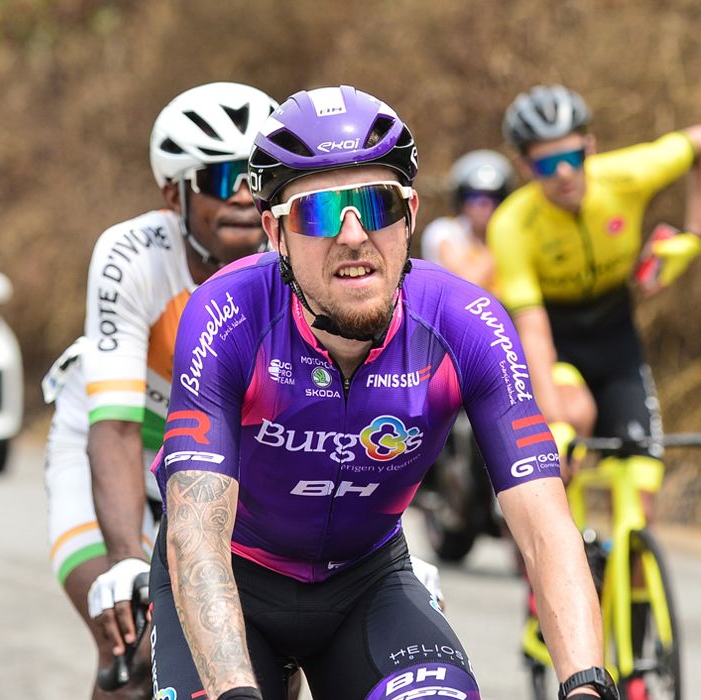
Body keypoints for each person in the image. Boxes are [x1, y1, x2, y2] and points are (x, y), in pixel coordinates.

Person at [149, 85, 616, 700]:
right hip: (233, 573)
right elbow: (196, 535)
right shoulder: (226, 313)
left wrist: (585, 683)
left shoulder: (466, 322)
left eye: (375, 204)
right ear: (275, 233)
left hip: (366, 583)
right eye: (316, 212)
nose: (352, 236)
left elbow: (545, 528)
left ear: (410, 215)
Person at [42, 81, 276, 700]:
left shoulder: (293, 261)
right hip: (111, 448)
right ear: (175, 192)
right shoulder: (131, 255)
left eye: (259, 174)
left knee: (258, 655)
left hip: (210, 461)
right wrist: (126, 562)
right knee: (136, 645)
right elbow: (115, 427)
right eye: (224, 178)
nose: (248, 197)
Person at [489, 83, 701, 473]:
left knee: (642, 474)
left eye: (572, 156)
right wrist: (553, 423)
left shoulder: (624, 177)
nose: (564, 173)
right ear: (524, 166)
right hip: (558, 341)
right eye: (547, 164)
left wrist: (695, 237)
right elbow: (532, 330)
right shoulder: (512, 225)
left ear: (590, 147)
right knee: (571, 421)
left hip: (617, 336)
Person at [419, 149, 514, 289]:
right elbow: (466, 284)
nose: (485, 206)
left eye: (494, 198)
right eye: (474, 197)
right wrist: (499, 241)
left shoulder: (516, 231)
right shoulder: (444, 231)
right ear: (461, 200)